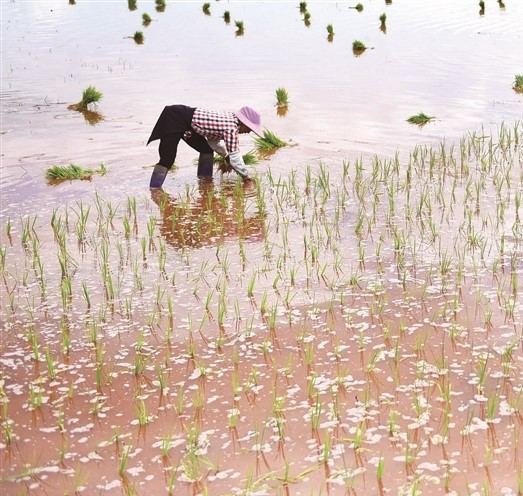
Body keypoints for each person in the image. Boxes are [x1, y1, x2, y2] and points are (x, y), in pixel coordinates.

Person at [147, 105, 263, 187]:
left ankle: (204, 181)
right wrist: (246, 177)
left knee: (206, 149)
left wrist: (225, 156)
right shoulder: (231, 128)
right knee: (167, 159)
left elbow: (213, 143)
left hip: (189, 125)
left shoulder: (230, 120)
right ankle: (154, 189)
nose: (249, 132)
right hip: (174, 117)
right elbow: (235, 156)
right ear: (243, 123)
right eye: (250, 128)